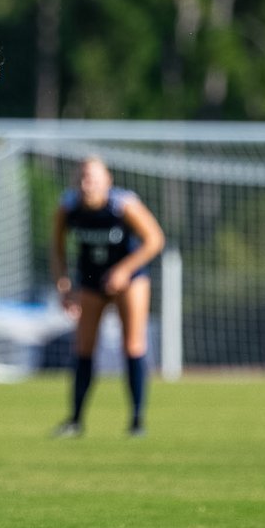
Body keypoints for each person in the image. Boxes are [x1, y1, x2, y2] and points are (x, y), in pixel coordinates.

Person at [50, 157, 165, 438]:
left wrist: (124, 271)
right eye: (82, 177)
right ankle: (75, 421)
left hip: (130, 280)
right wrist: (64, 286)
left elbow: (155, 239)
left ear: (107, 181)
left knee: (133, 344)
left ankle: (137, 421)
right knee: (84, 347)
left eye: (93, 178)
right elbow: (57, 248)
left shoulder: (122, 205)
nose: (87, 183)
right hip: (91, 279)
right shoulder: (69, 207)